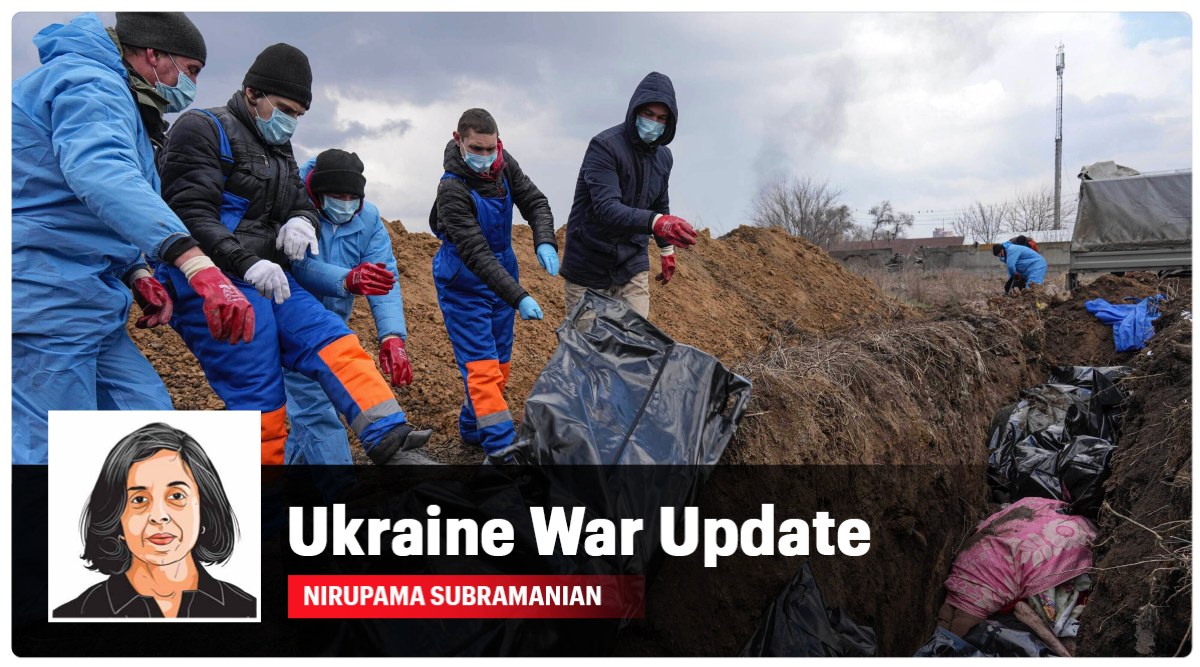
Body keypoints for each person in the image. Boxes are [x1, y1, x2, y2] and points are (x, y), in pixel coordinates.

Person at [155, 43, 433, 466]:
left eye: (299, 115)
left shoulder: (279, 150)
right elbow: (189, 213)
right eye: (285, 109)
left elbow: (296, 201)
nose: (290, 123)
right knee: (260, 396)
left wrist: (302, 219)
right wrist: (245, 262)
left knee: (334, 340)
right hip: (210, 278)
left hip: (270, 279)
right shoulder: (203, 128)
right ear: (252, 92)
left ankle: (389, 438)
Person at [11, 12, 253, 466]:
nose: (190, 85)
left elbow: (80, 205)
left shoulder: (119, 99)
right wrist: (194, 262)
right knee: (51, 452)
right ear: (152, 54)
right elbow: (102, 174)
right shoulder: (92, 85)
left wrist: (135, 270)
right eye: (190, 70)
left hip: (87, 300)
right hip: (42, 295)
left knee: (147, 424)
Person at [429, 108, 556, 461]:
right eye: (476, 149)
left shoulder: (504, 164)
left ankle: (473, 427)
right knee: (481, 370)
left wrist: (543, 238)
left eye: (490, 149)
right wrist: (519, 296)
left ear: (498, 143)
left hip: (503, 275)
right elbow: (475, 252)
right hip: (465, 284)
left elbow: (535, 201)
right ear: (459, 141)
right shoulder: (451, 189)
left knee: (499, 365)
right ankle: (502, 452)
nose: (485, 157)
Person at [285, 149, 413, 465]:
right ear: (317, 193)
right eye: (336, 195)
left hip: (332, 330)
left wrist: (392, 337)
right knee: (316, 410)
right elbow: (296, 265)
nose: (345, 203)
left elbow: (385, 278)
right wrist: (347, 279)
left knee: (308, 414)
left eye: (352, 197)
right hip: (292, 324)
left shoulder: (368, 219)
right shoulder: (293, 208)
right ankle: (343, 494)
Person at [53, 422, 256, 618]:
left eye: (177, 496)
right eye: (139, 499)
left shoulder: (248, 611)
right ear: (114, 515)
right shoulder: (74, 616)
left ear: (205, 507)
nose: (159, 516)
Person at [559, 71, 698, 320]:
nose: (654, 122)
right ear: (635, 111)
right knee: (589, 351)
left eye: (662, 118)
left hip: (631, 262)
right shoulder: (604, 147)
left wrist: (666, 251)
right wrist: (656, 222)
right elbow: (606, 207)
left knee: (635, 345)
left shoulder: (664, 157)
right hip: (589, 262)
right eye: (648, 114)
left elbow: (659, 203)